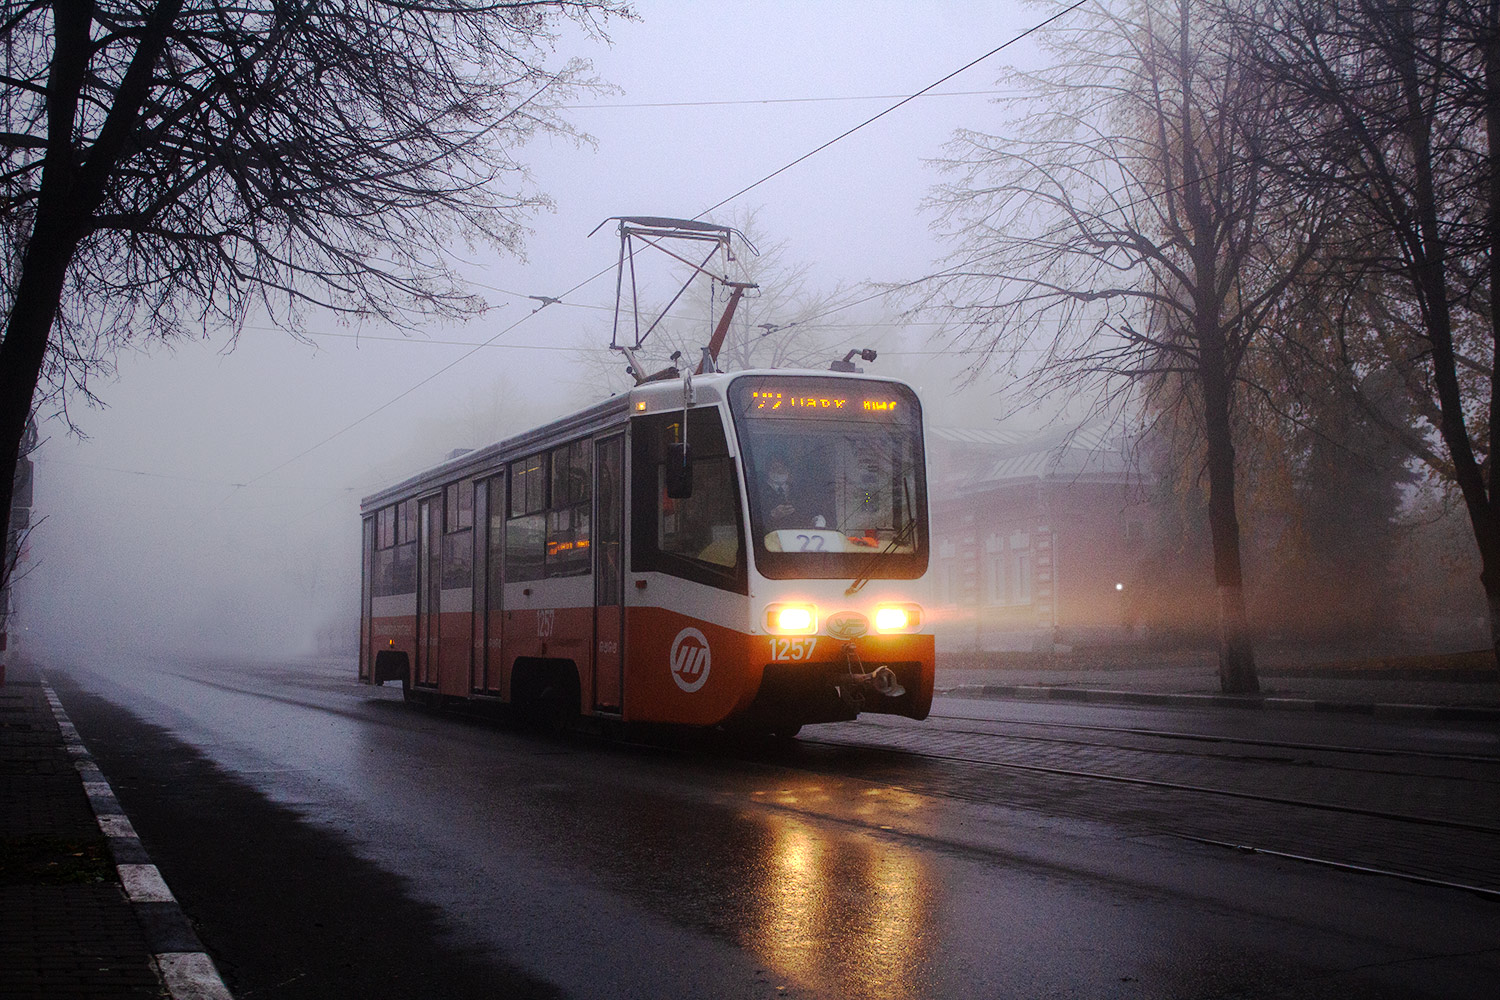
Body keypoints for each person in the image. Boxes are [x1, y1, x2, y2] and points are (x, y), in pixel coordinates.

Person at [762, 456, 827, 530]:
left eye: (783, 467)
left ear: (788, 470)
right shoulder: (759, 492)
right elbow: (753, 520)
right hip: (768, 538)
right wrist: (772, 515)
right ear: (767, 470)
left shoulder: (799, 491)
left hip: (797, 537)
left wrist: (817, 519)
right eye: (775, 467)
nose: (780, 470)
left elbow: (810, 511)